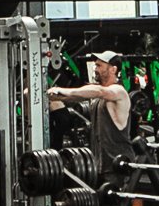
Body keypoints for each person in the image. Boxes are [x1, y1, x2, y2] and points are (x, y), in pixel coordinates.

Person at [48, 48, 138, 186]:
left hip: (118, 164)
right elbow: (77, 95)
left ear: (113, 69)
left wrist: (61, 89)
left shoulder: (118, 92)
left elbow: (99, 91)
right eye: (95, 65)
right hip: (99, 164)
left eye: (99, 65)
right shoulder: (98, 95)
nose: (95, 69)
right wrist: (47, 95)